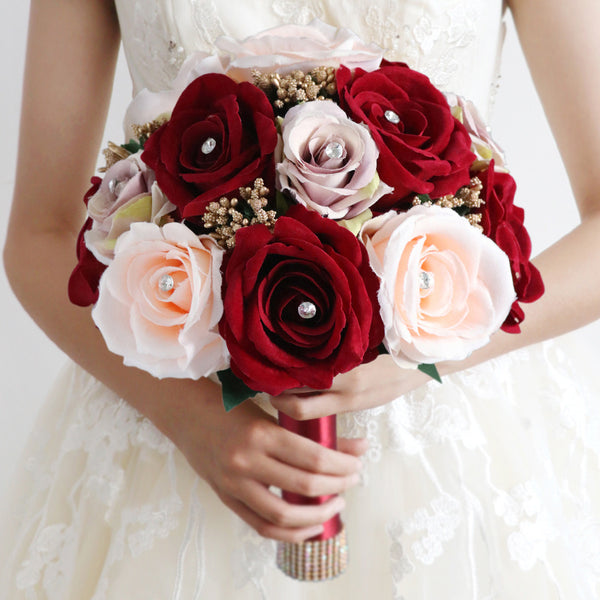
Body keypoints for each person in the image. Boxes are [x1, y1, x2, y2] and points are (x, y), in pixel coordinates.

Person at [1, 0, 599, 597]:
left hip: (448, 447)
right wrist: (187, 416)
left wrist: (434, 355)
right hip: (175, 436)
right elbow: (40, 235)